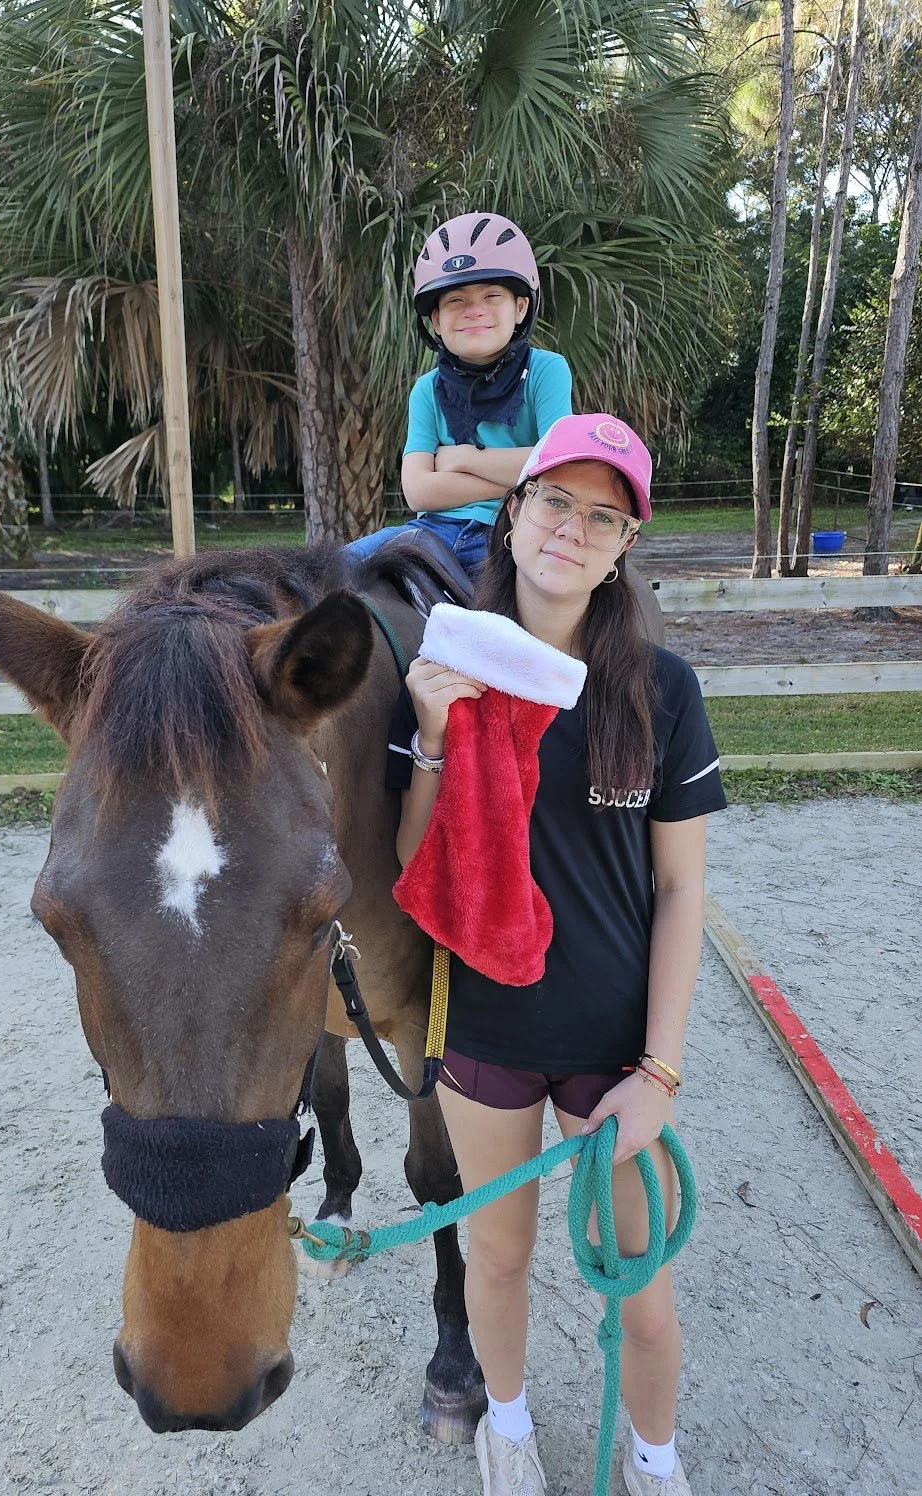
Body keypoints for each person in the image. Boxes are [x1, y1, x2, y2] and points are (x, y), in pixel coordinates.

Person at [388, 415, 726, 1496]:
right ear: (514, 514)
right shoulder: (449, 668)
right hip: (485, 1024)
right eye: (554, 502)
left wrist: (660, 1069)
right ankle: (510, 1423)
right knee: (498, 1256)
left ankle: (656, 1456)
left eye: (602, 514)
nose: (572, 529)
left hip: (611, 1046)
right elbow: (417, 872)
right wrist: (434, 742)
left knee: (641, 1286)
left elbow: (681, 891)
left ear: (626, 544)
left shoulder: (661, 691)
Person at [348, 212, 572, 573]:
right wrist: (515, 478)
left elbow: (558, 469)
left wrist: (461, 459)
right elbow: (419, 492)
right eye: (456, 300)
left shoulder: (547, 371)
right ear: (436, 320)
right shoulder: (426, 390)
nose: (474, 311)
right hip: (430, 531)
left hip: (515, 529)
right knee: (331, 568)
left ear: (520, 307)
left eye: (492, 295)